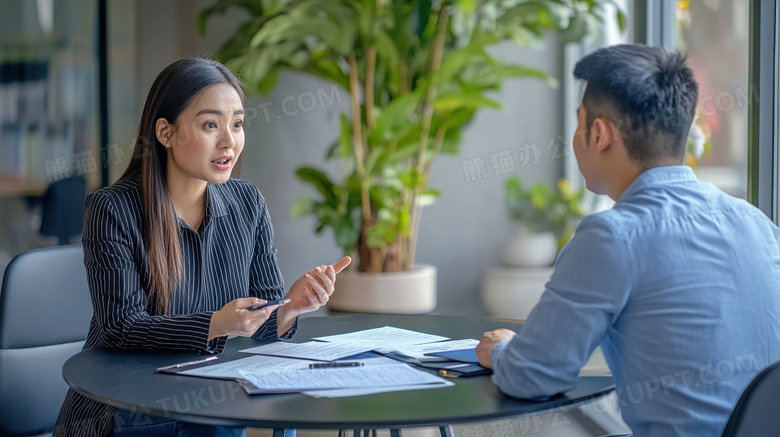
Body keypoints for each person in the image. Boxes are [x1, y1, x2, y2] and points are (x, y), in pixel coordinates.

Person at [476, 44, 780, 437]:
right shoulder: (757, 223)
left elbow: (534, 377)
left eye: (578, 123)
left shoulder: (612, 236)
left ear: (599, 134)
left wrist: (500, 350)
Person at [54, 57, 351, 436]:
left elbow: (259, 326)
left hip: (210, 398)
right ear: (165, 132)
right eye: (210, 124)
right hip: (127, 408)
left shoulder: (247, 203)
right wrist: (217, 324)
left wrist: (291, 308)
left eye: (238, 124)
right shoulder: (113, 209)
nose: (229, 141)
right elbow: (121, 328)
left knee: (272, 415)